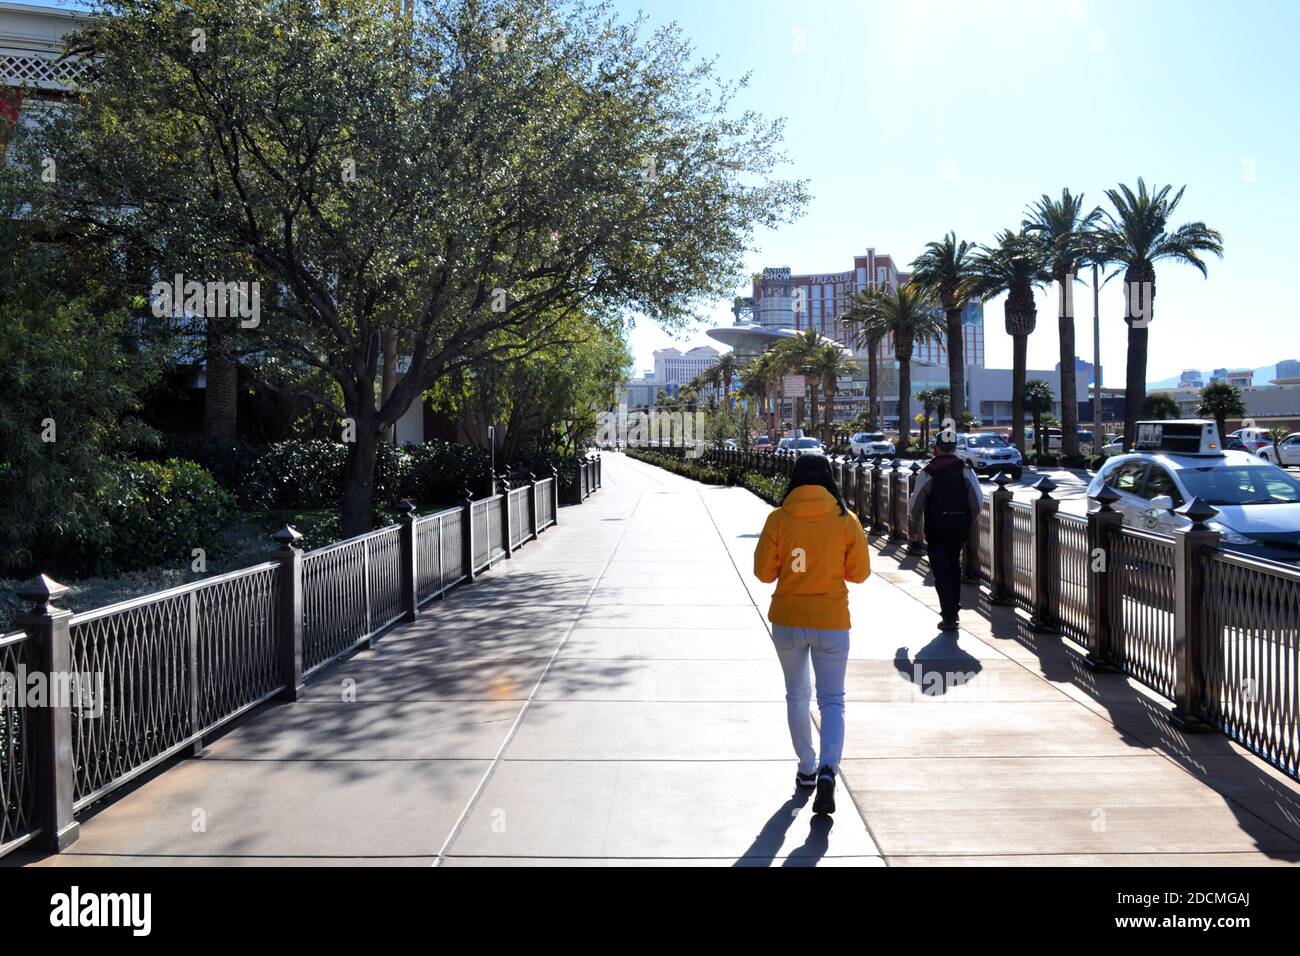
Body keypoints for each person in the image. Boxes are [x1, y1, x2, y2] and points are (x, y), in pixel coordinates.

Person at [753, 454, 870, 815]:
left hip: (787, 618)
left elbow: (763, 573)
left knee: (797, 695)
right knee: (832, 699)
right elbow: (860, 574)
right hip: (831, 620)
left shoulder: (778, 519)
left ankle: (806, 767)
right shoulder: (845, 520)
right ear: (829, 480)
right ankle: (827, 772)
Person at [908, 438, 984, 631]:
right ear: (955, 449)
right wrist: (967, 522)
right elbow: (978, 501)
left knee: (941, 571)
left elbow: (915, 504)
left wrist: (913, 528)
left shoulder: (927, 472)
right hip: (958, 529)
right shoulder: (966, 471)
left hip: (936, 528)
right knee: (953, 566)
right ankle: (953, 610)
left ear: (935, 449)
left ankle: (949, 615)